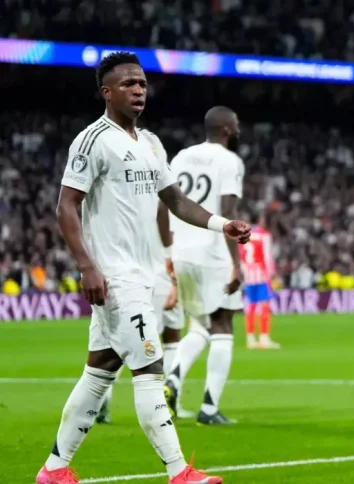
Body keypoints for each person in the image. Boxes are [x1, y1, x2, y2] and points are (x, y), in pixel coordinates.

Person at [39, 51, 250, 484]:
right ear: (107, 92)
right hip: (114, 277)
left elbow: (176, 201)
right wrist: (87, 266)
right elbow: (66, 205)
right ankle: (179, 471)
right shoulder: (93, 140)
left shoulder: (151, 142)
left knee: (98, 373)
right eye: (128, 84)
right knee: (151, 371)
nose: (138, 90)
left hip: (143, 273)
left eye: (142, 83)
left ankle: (54, 470)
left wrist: (222, 224)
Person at [164, 106, 246, 426]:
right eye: (235, 125)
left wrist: (168, 251)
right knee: (223, 325)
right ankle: (209, 409)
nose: (238, 131)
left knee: (200, 326)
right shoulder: (229, 161)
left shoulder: (181, 157)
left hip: (181, 250)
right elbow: (229, 213)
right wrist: (236, 264)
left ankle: (172, 379)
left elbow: (166, 204)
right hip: (213, 252)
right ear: (226, 129)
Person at [95, 133, 185, 424]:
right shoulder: (155, 187)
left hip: (143, 269)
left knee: (168, 334)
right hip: (156, 270)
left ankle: (171, 396)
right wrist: (170, 258)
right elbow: (164, 211)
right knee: (147, 343)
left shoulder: (131, 184)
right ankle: (161, 404)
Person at [240, 213, 280, 349]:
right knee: (264, 306)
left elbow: (240, 255)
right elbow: (267, 256)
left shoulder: (242, 234)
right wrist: (273, 274)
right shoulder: (264, 235)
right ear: (260, 220)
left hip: (247, 275)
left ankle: (250, 339)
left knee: (250, 306)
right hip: (261, 274)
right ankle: (264, 338)